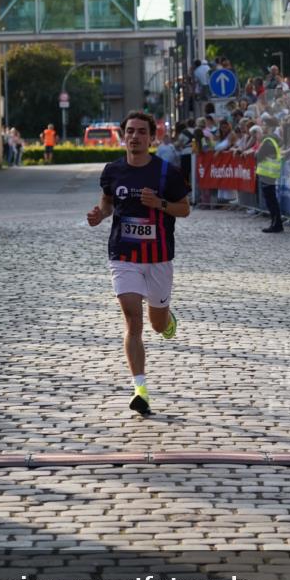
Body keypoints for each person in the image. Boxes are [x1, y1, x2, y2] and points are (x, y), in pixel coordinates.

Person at [86, 110, 190, 416]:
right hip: (123, 255)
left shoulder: (166, 172)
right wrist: (99, 215)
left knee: (157, 325)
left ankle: (167, 320)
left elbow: (184, 209)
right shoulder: (112, 171)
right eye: (130, 131)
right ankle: (140, 389)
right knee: (133, 319)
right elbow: (107, 202)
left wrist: (159, 204)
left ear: (152, 137)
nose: (135, 137)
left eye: (141, 132)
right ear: (123, 136)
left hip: (158, 257)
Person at [256, 116, 283, 233]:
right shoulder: (275, 139)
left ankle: (276, 224)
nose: (263, 127)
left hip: (267, 174)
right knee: (272, 200)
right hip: (271, 174)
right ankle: (276, 223)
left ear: (270, 126)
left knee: (271, 201)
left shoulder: (268, 140)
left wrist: (257, 152)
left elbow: (259, 155)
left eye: (264, 125)